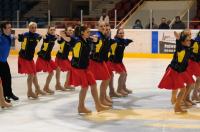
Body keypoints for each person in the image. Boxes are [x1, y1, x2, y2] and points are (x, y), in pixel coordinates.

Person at [69, 25, 110, 114]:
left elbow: (97, 42)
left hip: (86, 67)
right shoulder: (77, 40)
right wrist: (65, 35)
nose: (89, 33)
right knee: (85, 87)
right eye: (88, 32)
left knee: (93, 84)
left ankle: (98, 105)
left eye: (89, 32)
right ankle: (81, 107)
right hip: (78, 67)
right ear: (82, 32)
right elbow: (67, 39)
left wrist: (96, 40)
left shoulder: (87, 40)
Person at [158, 31, 194, 113]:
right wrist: (178, 39)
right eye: (187, 40)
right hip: (175, 70)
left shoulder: (188, 48)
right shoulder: (180, 47)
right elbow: (178, 45)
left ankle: (174, 99)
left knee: (179, 86)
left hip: (180, 70)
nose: (189, 41)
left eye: (189, 40)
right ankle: (177, 107)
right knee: (183, 89)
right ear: (183, 41)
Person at [18, 22, 43, 99]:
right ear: (29, 28)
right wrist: (19, 37)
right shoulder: (25, 35)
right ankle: (29, 91)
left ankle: (37, 89)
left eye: (35, 27)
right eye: (32, 27)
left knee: (34, 74)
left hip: (30, 58)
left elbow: (40, 37)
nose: (34, 29)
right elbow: (20, 39)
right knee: (31, 74)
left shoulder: (37, 36)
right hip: (24, 58)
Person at [89, 22, 112, 107]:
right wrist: (94, 39)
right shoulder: (98, 35)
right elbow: (94, 40)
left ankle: (103, 98)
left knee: (107, 78)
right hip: (95, 61)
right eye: (101, 26)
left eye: (105, 26)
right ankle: (101, 99)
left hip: (101, 60)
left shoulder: (104, 35)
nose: (103, 27)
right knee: (106, 79)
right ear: (97, 27)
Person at [108, 28, 133, 96]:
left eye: (122, 33)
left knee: (125, 74)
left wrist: (130, 40)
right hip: (113, 61)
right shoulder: (115, 41)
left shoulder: (124, 41)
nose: (121, 34)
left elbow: (126, 41)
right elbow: (110, 47)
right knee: (123, 74)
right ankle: (119, 89)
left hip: (119, 61)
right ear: (117, 34)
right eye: (120, 33)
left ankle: (123, 87)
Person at [36, 25, 58, 94]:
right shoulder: (47, 37)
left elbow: (55, 38)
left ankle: (46, 87)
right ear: (48, 30)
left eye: (53, 30)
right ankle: (38, 89)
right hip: (43, 58)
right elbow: (47, 38)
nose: (52, 31)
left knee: (56, 70)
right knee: (34, 73)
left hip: (48, 57)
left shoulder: (53, 37)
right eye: (51, 30)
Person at [0, 21, 19, 102]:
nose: (10, 29)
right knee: (2, 80)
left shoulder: (9, 36)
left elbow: (14, 36)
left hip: (4, 61)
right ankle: (3, 97)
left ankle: (9, 94)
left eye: (11, 27)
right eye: (8, 27)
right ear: (3, 29)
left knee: (7, 78)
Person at [55, 26, 75, 91]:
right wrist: (60, 37)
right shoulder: (63, 38)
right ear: (66, 31)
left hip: (64, 57)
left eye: (71, 30)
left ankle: (64, 84)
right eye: (69, 30)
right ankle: (62, 84)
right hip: (60, 57)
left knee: (69, 69)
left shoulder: (70, 38)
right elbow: (60, 40)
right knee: (60, 70)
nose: (71, 31)